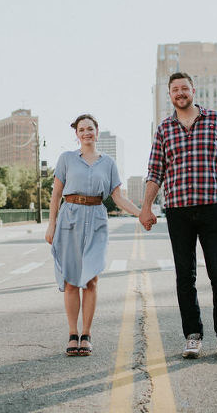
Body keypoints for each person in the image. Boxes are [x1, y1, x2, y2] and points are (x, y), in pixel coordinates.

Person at [139, 72, 217, 359]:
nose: (180, 93)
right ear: (170, 94)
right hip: (178, 211)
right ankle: (192, 335)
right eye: (175, 89)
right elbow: (155, 172)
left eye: (184, 88)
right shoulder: (164, 129)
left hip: (212, 207)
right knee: (184, 277)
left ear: (193, 90)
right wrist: (146, 207)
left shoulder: (215, 120)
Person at [45, 113, 141, 356]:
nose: (86, 132)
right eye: (81, 129)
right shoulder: (66, 158)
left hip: (96, 218)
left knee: (91, 279)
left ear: (97, 132)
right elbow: (56, 195)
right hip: (70, 218)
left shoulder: (108, 163)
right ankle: (72, 333)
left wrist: (141, 213)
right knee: (69, 280)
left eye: (90, 128)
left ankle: (86, 333)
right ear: (76, 135)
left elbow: (117, 197)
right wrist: (51, 224)